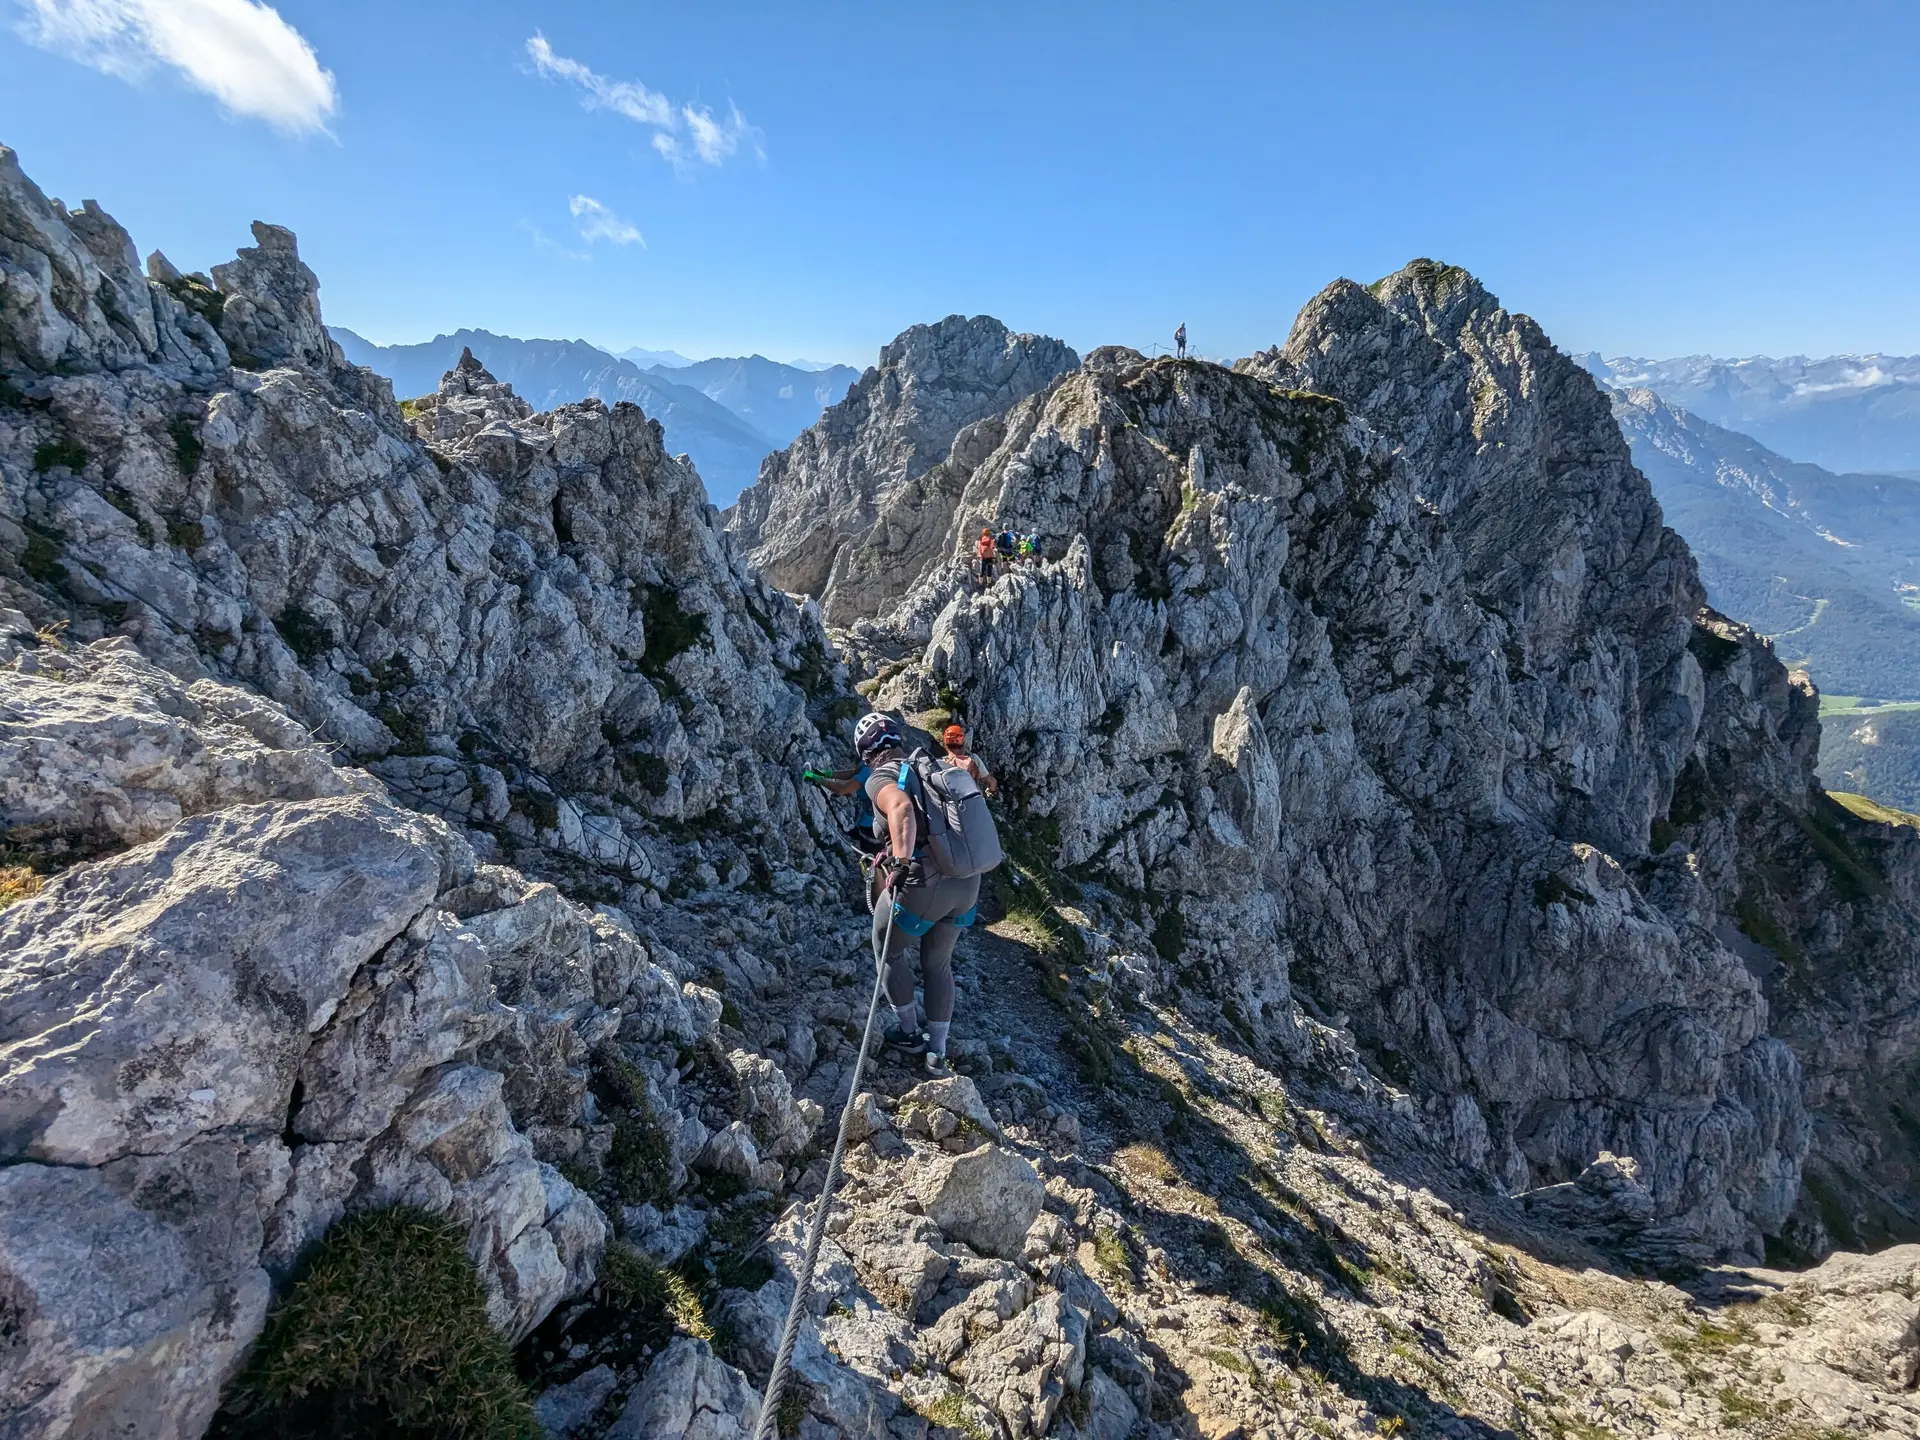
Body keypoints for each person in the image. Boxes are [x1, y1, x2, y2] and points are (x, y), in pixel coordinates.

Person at [854, 710, 981, 1072]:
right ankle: (937, 1052)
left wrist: (900, 861)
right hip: (967, 883)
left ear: (865, 752)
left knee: (887, 950)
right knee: (938, 962)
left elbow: (902, 808)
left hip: (925, 882)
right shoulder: (934, 768)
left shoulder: (882, 776)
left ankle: (910, 1034)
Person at [942, 723, 999, 796]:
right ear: (963, 743)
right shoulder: (973, 759)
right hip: (974, 803)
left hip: (952, 805)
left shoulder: (940, 764)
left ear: (946, 745)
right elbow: (990, 782)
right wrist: (993, 791)